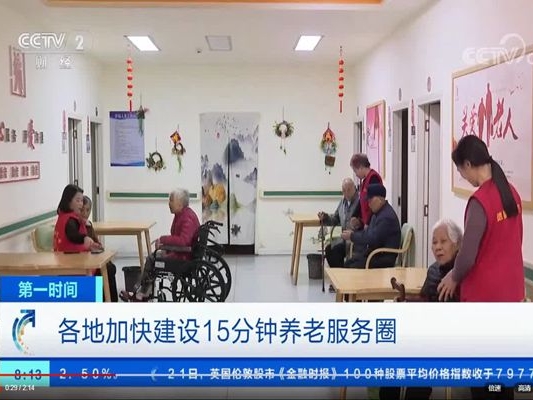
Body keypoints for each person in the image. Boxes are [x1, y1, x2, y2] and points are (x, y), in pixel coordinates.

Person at [438, 135, 523, 400]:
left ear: (468, 164)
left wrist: (453, 276)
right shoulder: (511, 193)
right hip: (512, 295)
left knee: (483, 377)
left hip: (485, 300)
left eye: (461, 172)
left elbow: (467, 255)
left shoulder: (480, 201)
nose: (463, 177)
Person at [379, 219, 463, 400]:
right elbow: (425, 299)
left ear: (457, 244)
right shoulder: (433, 270)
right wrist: (405, 302)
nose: (438, 247)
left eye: (443, 241)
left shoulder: (462, 275)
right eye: (434, 242)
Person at [120, 189, 200, 302]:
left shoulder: (187, 217)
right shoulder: (182, 214)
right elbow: (180, 239)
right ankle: (143, 292)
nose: (169, 203)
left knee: (152, 260)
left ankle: (142, 294)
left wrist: (164, 240)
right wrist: (165, 245)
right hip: (181, 253)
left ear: (180, 204)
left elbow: (184, 241)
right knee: (153, 257)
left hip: (183, 258)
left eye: (171, 200)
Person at [341, 184, 400, 268]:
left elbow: (372, 238)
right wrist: (355, 232)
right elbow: (369, 233)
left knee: (352, 266)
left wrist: (352, 236)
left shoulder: (386, 217)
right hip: (375, 254)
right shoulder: (379, 213)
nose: (369, 204)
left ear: (379, 199)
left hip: (383, 258)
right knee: (348, 263)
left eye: (370, 201)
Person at [81, 196, 119, 302]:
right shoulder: (77, 225)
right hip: (85, 260)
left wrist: (98, 246)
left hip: (93, 257)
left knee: (110, 267)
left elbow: (96, 241)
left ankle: (112, 302)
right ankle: (105, 300)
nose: (85, 213)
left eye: (88, 210)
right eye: (82, 210)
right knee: (107, 269)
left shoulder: (89, 225)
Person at [318, 178, 358, 268]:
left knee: (338, 253)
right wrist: (325, 217)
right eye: (344, 190)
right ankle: (339, 273)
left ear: (354, 188)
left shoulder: (359, 202)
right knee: (329, 250)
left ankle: (343, 272)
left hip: (356, 241)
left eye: (349, 190)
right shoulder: (342, 202)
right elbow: (335, 219)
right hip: (344, 240)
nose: (346, 193)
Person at [54, 184, 100, 254]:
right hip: (71, 258)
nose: (81, 204)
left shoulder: (63, 216)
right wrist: (84, 238)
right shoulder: (70, 220)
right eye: (78, 201)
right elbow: (73, 235)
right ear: (68, 201)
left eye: (81, 201)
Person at [350, 153, 383, 228]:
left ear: (361, 167)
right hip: (366, 222)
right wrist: (354, 216)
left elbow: (375, 203)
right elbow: (361, 200)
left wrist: (368, 223)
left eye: (355, 171)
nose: (356, 174)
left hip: (373, 222)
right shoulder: (364, 180)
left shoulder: (373, 178)